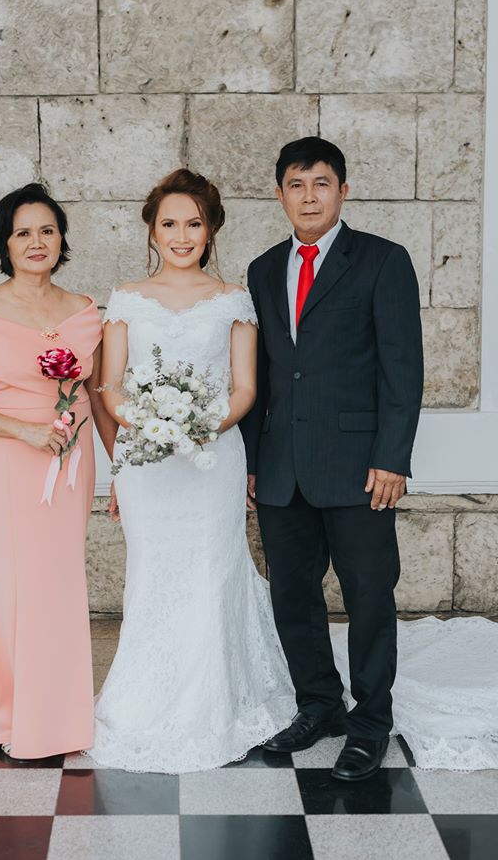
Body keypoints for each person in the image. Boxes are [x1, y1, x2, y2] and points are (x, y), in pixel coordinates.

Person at [89, 168, 293, 773]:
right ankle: (146, 696)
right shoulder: (126, 298)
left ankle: (214, 700)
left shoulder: (233, 299)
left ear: (211, 229)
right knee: (153, 574)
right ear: (152, 230)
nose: (181, 235)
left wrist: (200, 424)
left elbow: (245, 387)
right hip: (147, 464)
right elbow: (109, 384)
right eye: (169, 223)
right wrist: (149, 425)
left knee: (211, 571)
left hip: (212, 457)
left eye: (194, 224)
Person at [240, 136, 423, 780]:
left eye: (322, 183)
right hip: (283, 469)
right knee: (292, 595)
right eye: (296, 184)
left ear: (343, 191)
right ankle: (318, 705)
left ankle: (371, 723)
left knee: (370, 596)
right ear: (280, 194)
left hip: (360, 468)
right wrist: (253, 461)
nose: (309, 195)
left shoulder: (382, 261)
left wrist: (392, 458)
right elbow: (261, 374)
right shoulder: (263, 270)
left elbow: (403, 369)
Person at [0, 182, 116, 760]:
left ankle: (58, 720)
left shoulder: (84, 311)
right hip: (10, 462)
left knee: (59, 582)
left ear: (61, 237)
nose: (36, 241)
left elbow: (96, 395)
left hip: (71, 465)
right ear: (6, 243)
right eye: (23, 232)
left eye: (47, 229)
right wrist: (25, 432)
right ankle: (7, 716)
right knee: (11, 582)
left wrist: (124, 473)